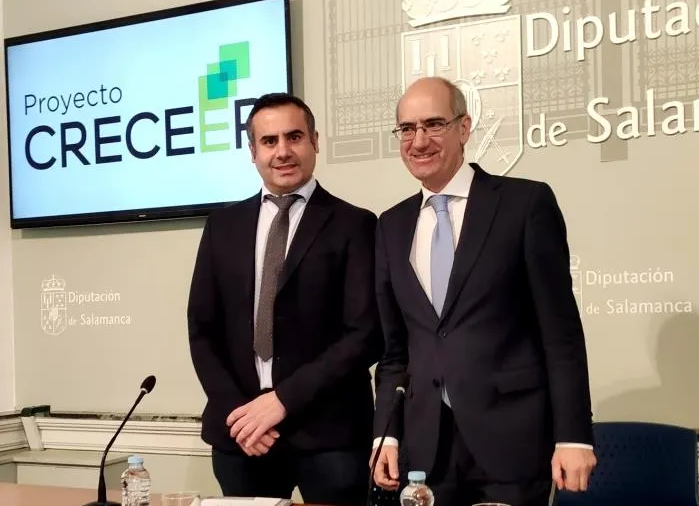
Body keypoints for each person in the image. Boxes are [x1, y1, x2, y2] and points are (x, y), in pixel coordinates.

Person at [370, 77, 597, 506]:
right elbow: (395, 351)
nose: (419, 141)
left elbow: (561, 333)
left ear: (464, 127)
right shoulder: (390, 225)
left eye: (434, 124)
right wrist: (389, 433)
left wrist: (573, 436)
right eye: (407, 129)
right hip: (425, 449)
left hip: (512, 441)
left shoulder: (524, 204)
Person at [187, 92, 381, 505]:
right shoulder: (221, 226)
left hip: (330, 437)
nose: (283, 151)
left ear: (315, 141)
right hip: (243, 438)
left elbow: (363, 334)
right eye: (269, 141)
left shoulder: (355, 224)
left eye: (294, 137)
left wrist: (280, 402)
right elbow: (202, 331)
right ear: (253, 151)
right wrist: (240, 414)